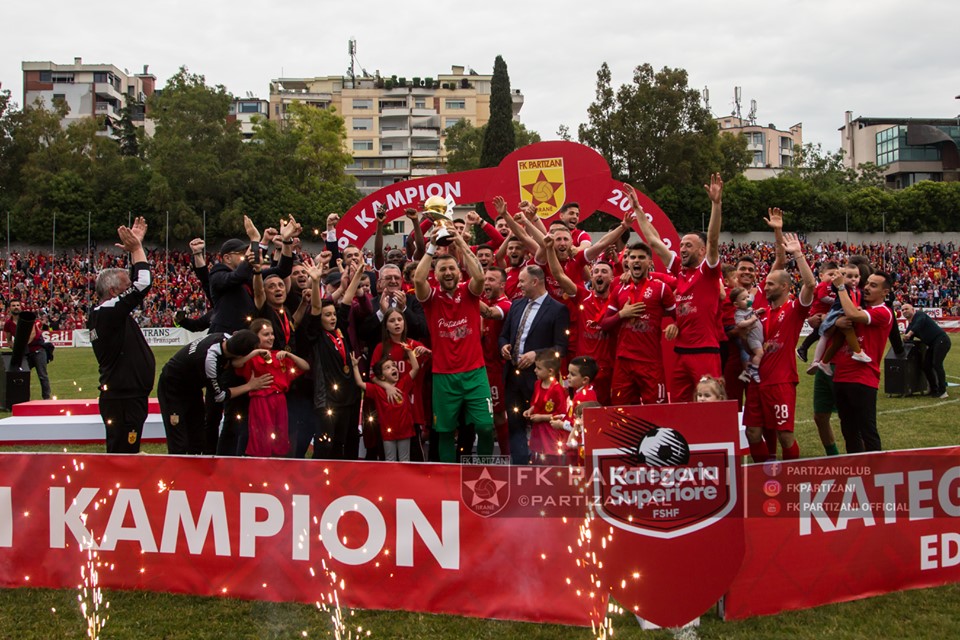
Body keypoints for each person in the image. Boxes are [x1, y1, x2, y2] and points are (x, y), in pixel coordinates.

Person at [627, 177, 724, 402]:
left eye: (688, 245)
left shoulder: (708, 271)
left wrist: (716, 204)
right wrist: (637, 209)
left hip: (705, 352)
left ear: (702, 251)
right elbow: (654, 241)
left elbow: (713, 238)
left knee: (710, 406)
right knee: (679, 407)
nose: (682, 248)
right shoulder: (680, 270)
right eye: (681, 245)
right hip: (681, 352)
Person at [414, 223, 495, 463]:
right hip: (444, 376)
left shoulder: (469, 292)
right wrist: (431, 247)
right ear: (436, 274)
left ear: (459, 272)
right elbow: (418, 279)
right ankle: (448, 477)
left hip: (475, 373)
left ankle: (484, 470)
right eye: (443, 269)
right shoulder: (431, 297)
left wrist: (459, 241)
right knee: (445, 431)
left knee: (485, 426)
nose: (448, 273)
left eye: (452, 268)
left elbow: (479, 276)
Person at [741, 233, 816, 463]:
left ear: (784, 286)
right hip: (756, 382)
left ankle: (790, 477)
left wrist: (798, 254)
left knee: (785, 435)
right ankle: (765, 475)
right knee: (752, 433)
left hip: (781, 382)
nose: (765, 287)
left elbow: (810, 284)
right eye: (765, 284)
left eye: (770, 284)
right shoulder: (762, 313)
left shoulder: (794, 309)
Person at [87, 217, 155, 453]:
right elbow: (143, 284)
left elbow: (137, 284)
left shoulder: (105, 313)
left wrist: (136, 248)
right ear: (114, 291)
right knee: (122, 456)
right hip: (123, 399)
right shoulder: (107, 312)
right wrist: (137, 249)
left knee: (124, 452)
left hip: (124, 396)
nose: (130, 290)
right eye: (126, 287)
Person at [157, 330, 273, 455]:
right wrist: (250, 386)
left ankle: (196, 464)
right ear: (240, 354)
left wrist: (255, 352)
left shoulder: (225, 338)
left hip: (192, 387)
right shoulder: (210, 360)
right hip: (172, 388)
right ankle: (177, 465)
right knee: (179, 441)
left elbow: (234, 362)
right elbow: (220, 396)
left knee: (198, 437)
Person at [499, 264, 570, 464]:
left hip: (539, 381)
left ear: (535, 281)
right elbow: (503, 335)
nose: (519, 285)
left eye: (522, 281)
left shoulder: (557, 309)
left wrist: (536, 355)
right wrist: (503, 346)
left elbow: (561, 347)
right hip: (512, 376)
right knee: (515, 423)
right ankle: (520, 466)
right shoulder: (516, 305)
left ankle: (545, 465)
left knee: (542, 425)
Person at [601, 240, 677, 405]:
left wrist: (675, 325)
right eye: (633, 257)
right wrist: (622, 314)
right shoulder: (619, 289)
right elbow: (605, 324)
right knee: (621, 412)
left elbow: (680, 316)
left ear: (649, 262)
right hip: (624, 362)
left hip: (650, 362)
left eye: (641, 257)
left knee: (657, 412)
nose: (636, 261)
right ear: (627, 262)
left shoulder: (661, 288)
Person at [831, 271, 895, 453]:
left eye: (873, 285)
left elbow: (852, 314)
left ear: (885, 292)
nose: (866, 288)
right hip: (841, 376)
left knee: (867, 430)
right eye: (867, 283)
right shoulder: (859, 307)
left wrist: (841, 287)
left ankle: (876, 468)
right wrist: (836, 322)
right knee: (849, 431)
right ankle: (857, 466)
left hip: (863, 378)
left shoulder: (884, 312)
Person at [239, 319, 310, 457]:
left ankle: (277, 464)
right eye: (266, 334)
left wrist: (289, 355)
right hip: (261, 401)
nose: (271, 337)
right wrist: (255, 352)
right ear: (255, 337)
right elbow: (237, 364)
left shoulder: (279, 355)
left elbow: (305, 366)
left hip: (280, 400)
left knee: (280, 438)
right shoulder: (252, 357)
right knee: (262, 439)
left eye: (272, 334)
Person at [350, 347, 420, 462]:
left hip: (405, 431)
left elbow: (416, 368)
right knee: (390, 461)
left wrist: (409, 352)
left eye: (394, 366)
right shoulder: (377, 390)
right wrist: (355, 366)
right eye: (388, 367)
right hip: (388, 433)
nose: (393, 368)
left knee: (405, 460)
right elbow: (359, 383)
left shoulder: (404, 383)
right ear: (382, 376)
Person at [524, 349, 568, 466]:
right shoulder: (537, 384)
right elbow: (536, 403)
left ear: (550, 371)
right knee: (537, 458)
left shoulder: (558, 390)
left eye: (538, 368)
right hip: (537, 431)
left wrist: (542, 417)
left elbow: (561, 414)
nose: (535, 370)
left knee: (551, 459)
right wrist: (530, 410)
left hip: (551, 433)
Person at [901, 303, 951, 399]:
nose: (904, 311)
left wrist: (910, 333)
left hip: (941, 340)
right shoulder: (911, 325)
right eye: (902, 310)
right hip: (932, 344)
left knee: (937, 364)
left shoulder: (919, 315)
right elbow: (907, 338)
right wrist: (905, 338)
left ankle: (943, 391)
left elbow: (919, 324)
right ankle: (934, 389)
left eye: (906, 309)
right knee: (926, 366)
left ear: (912, 309)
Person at [3, 300, 50, 399]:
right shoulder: (8, 323)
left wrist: (20, 345)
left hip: (38, 349)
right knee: (23, 374)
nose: (16, 307)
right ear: (9, 308)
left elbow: (32, 334)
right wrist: (14, 348)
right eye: (13, 305)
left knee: (42, 375)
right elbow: (9, 340)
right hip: (24, 352)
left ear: (21, 307)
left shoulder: (27, 319)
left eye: (18, 305)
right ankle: (23, 397)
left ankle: (46, 398)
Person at [730, 288, 763, 384]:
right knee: (759, 353)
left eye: (747, 297)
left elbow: (751, 300)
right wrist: (751, 320)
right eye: (744, 299)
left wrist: (757, 311)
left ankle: (747, 372)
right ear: (736, 304)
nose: (748, 300)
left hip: (757, 336)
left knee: (753, 356)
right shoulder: (739, 313)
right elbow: (740, 323)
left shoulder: (748, 308)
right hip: (752, 337)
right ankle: (754, 370)